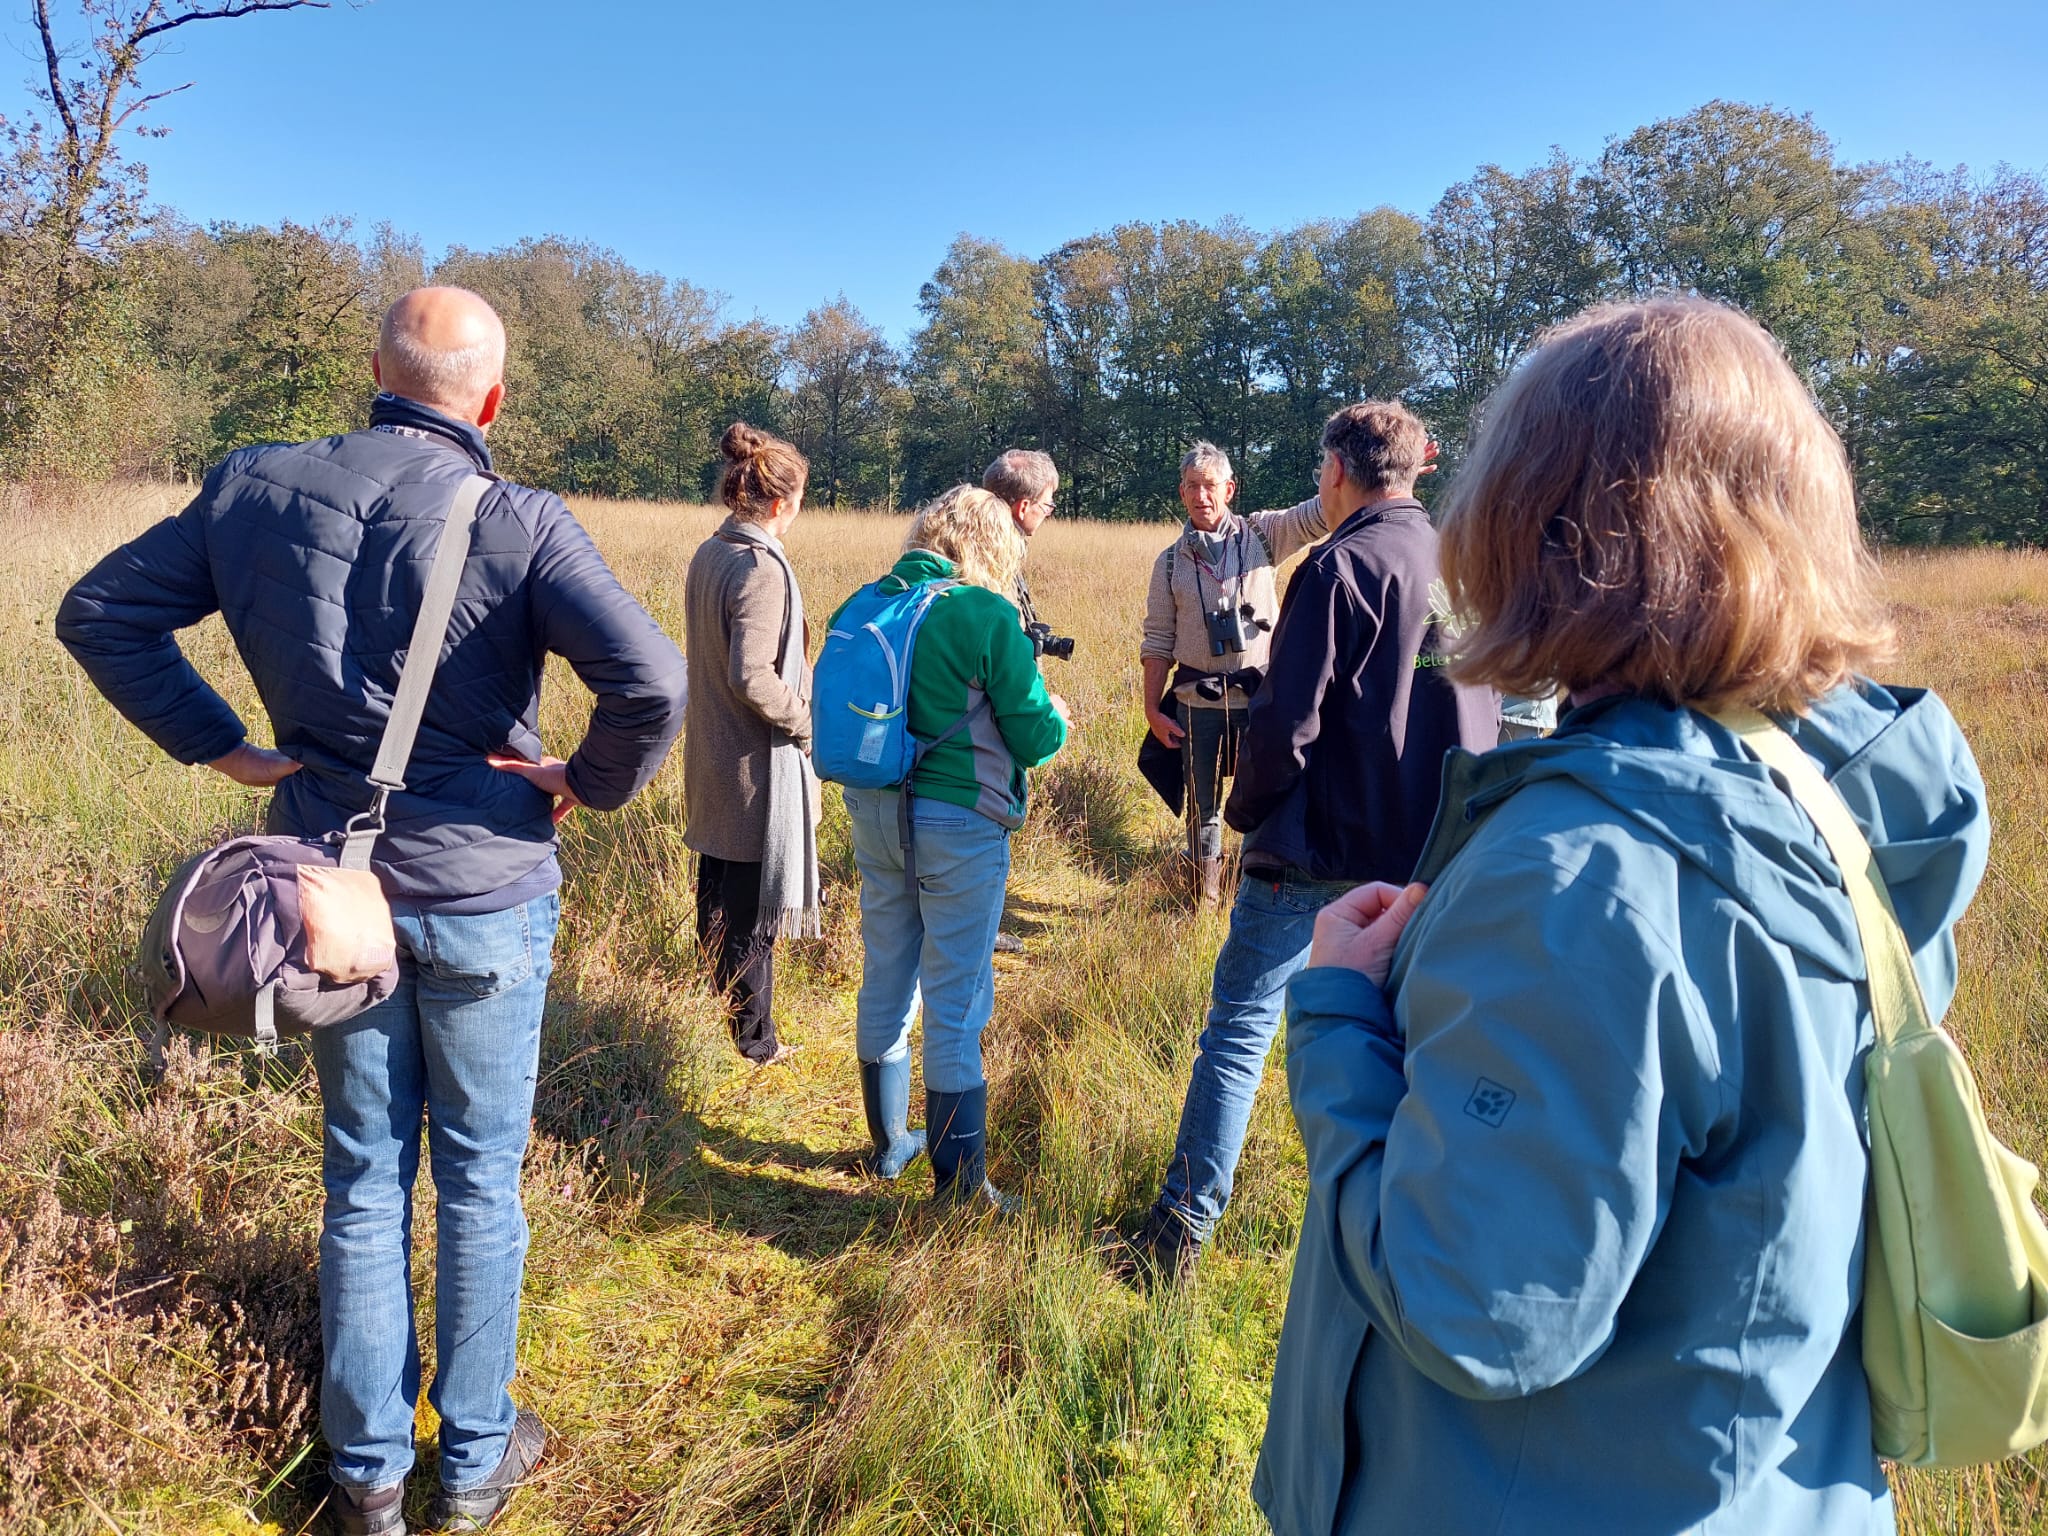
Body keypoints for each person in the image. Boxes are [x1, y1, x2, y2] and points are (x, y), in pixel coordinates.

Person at [1254, 298, 1988, 1535]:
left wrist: (1332, 1017)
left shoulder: (1583, 878)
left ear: (1533, 522)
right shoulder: (1831, 807)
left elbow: (1477, 1305)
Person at [56, 287, 689, 1536]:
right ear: (490, 401)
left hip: (329, 897)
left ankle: (367, 1482)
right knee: (479, 1181)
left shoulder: (256, 488)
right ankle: (476, 1463)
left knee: (360, 1179)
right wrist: (586, 781)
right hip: (485, 895)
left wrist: (228, 749)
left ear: (378, 374)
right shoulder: (522, 521)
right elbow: (650, 681)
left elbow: (101, 612)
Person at [1121, 406, 1497, 1284]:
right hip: (1430, 856)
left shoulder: (1336, 565)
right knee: (1408, 1041)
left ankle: (1180, 1231)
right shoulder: (1462, 571)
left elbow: (1287, 725)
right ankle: (1400, 1237)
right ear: (1414, 472)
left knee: (1241, 1028)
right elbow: (1486, 713)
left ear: (1335, 471)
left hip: (1318, 847)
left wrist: (1250, 815)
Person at [835, 485, 1069, 1211]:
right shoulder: (984, 612)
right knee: (957, 997)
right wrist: (1056, 715)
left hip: (872, 808)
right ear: (991, 545)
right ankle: (961, 1187)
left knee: (887, 974)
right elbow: (1032, 736)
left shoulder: (866, 601)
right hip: (959, 821)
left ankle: (890, 1144)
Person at [681, 422, 821, 1066]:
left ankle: (735, 1028)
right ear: (780, 504)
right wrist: (805, 721)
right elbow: (751, 674)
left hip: (713, 757)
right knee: (750, 920)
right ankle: (755, 1044)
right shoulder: (761, 567)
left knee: (721, 903)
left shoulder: (712, 551)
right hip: (751, 769)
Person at [1137, 442, 1329, 908]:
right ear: (1182, 493)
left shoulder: (1263, 535)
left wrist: (1380, 476)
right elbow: (1158, 640)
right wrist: (1150, 710)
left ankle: (1253, 891)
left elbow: (1319, 514)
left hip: (1260, 698)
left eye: (1211, 486)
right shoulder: (1169, 563)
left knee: (1263, 794)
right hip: (1194, 702)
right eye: (1193, 487)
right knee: (1202, 805)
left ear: (1230, 488)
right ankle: (1205, 899)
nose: (1202, 496)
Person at [980, 448, 1062, 955]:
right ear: (1024, 505)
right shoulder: (993, 563)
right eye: (1049, 504)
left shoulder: (974, 548)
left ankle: (981, 925)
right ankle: (981, 931)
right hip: (988, 728)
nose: (1048, 514)